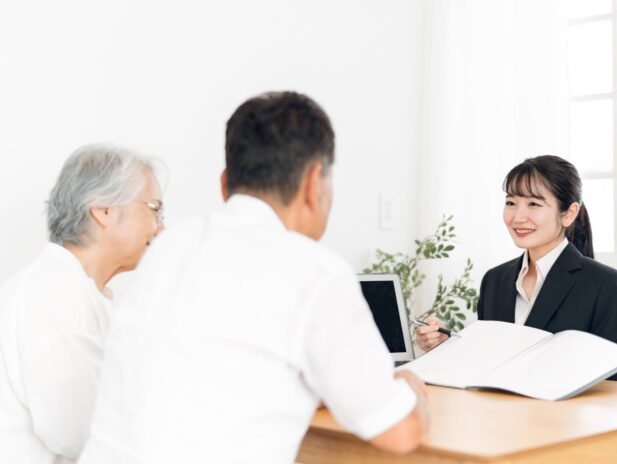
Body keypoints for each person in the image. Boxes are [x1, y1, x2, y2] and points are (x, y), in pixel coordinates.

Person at [79, 91, 429, 464]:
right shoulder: (315, 272)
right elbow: (400, 432)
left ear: (224, 183)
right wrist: (413, 388)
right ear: (315, 184)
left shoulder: (168, 248)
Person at [0, 144, 164, 464]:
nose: (161, 226)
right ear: (103, 211)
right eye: (154, 208)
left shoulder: (69, 289)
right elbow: (78, 431)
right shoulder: (56, 291)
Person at [417, 155, 617, 381]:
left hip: (563, 414)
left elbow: (612, 383)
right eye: (511, 203)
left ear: (569, 213)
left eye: (534, 204)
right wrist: (446, 345)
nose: (517, 217)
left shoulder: (605, 285)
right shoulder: (495, 280)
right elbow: (487, 365)